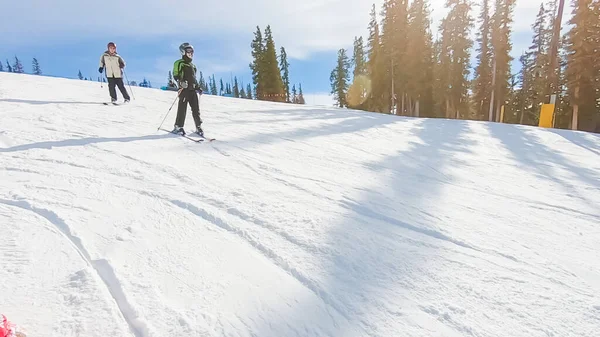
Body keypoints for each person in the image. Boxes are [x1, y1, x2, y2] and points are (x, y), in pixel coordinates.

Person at [172, 42, 204, 136]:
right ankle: (178, 126)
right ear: (183, 52)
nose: (191, 53)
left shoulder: (193, 66)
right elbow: (176, 74)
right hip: (184, 89)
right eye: (188, 51)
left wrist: (198, 87)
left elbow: (194, 79)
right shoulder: (179, 63)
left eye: (192, 51)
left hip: (192, 90)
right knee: (182, 108)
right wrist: (180, 82)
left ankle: (198, 126)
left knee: (196, 109)